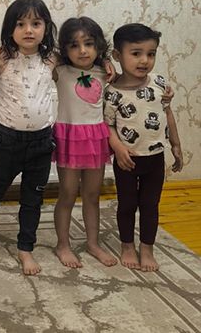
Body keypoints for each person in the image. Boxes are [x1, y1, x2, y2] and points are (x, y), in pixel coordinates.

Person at [0, 0, 58, 275]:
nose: (28, 30)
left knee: (33, 198)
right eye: (20, 24)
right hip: (8, 141)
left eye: (36, 23)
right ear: (10, 29)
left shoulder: (52, 58)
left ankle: (25, 249)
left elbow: (84, 55)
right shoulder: (2, 56)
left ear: (46, 27)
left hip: (42, 143)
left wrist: (105, 62)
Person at [104, 23, 183, 272]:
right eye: (136, 53)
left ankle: (147, 248)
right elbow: (107, 125)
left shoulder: (159, 83)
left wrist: (176, 145)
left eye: (151, 54)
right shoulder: (112, 93)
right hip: (127, 159)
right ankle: (127, 245)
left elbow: (167, 113)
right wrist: (117, 147)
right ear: (118, 56)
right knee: (127, 204)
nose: (144, 60)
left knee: (150, 205)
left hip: (155, 158)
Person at [52, 17, 117, 268]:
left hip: (95, 138)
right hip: (69, 137)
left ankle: (93, 243)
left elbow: (129, 80)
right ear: (65, 49)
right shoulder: (59, 71)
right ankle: (63, 244)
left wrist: (107, 60)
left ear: (98, 45)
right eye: (74, 45)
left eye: (88, 44)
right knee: (67, 193)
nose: (82, 51)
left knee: (92, 195)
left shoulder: (105, 73)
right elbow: (43, 56)